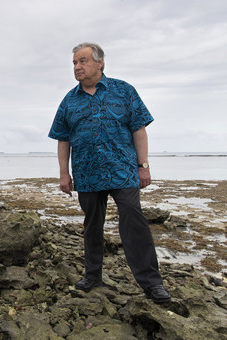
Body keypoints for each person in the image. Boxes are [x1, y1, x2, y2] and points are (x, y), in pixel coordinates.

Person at [48, 42, 171, 303]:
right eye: (74, 63)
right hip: (87, 174)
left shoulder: (124, 91)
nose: (77, 67)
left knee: (133, 220)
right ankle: (93, 276)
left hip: (122, 171)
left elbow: (139, 129)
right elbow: (62, 139)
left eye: (82, 61)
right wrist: (63, 174)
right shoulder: (69, 101)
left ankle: (152, 283)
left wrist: (144, 165)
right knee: (93, 225)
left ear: (99, 62)